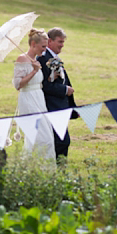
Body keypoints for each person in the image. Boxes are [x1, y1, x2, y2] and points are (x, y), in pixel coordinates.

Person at [12, 28, 56, 161]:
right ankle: (39, 168)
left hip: (39, 98)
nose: (45, 49)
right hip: (28, 99)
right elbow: (18, 85)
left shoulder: (36, 60)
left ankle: (34, 168)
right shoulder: (22, 59)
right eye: (43, 46)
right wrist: (34, 71)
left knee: (45, 136)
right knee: (42, 138)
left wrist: (51, 77)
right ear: (33, 44)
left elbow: (37, 82)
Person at [37, 27, 79, 161]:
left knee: (60, 142)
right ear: (50, 41)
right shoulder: (44, 59)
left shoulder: (53, 57)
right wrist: (65, 90)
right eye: (60, 42)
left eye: (63, 42)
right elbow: (45, 85)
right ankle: (58, 172)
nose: (62, 45)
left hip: (60, 105)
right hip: (52, 106)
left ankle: (57, 171)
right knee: (61, 142)